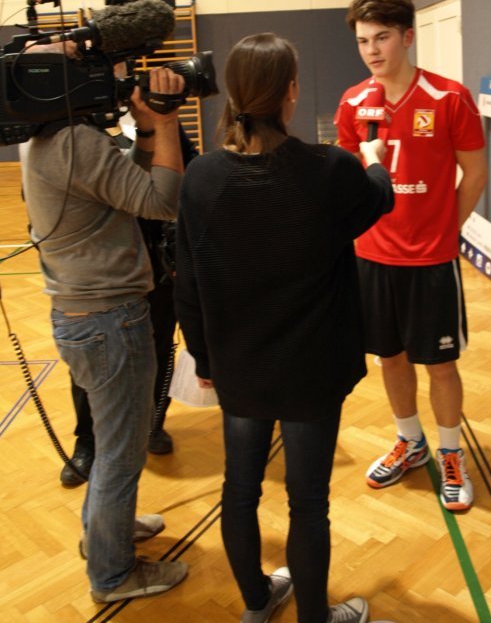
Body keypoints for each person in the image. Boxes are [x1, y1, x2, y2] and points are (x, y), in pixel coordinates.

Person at [174, 33, 394, 623]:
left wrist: (205, 359)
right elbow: (379, 198)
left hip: (239, 366)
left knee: (239, 490)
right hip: (311, 370)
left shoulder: (202, 177)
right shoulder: (330, 170)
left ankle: (257, 602)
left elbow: (186, 283)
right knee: (308, 503)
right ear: (291, 92)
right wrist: (375, 158)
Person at [20, 43, 190, 603]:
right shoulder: (79, 142)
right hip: (110, 319)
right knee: (122, 450)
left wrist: (146, 132)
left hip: (82, 314)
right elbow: (163, 201)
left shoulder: (46, 136)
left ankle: (105, 532)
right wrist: (167, 122)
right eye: (84, 65)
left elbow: (125, 189)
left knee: (113, 441)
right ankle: (113, 574)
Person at [335, 0, 487, 511]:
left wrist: (446, 229)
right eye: (363, 41)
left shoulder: (449, 98)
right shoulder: (353, 102)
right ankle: (410, 440)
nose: (372, 50)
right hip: (373, 257)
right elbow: (348, 176)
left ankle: (451, 453)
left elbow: (476, 173)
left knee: (440, 364)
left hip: (430, 260)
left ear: (407, 37)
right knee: (390, 357)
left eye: (381, 38)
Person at [60, 124, 199, 488]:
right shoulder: (79, 129)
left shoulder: (166, 126)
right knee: (91, 361)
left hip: (158, 266)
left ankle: (153, 423)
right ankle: (87, 441)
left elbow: (191, 178)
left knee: (159, 349)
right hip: (103, 271)